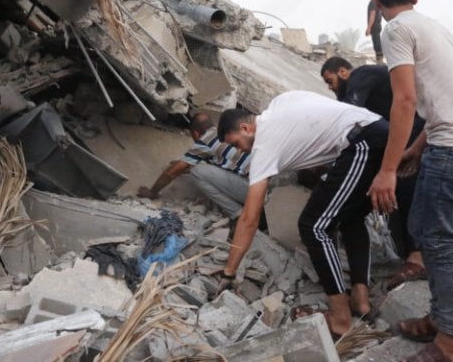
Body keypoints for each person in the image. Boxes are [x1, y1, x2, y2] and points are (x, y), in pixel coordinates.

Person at [366, 0, 453, 362]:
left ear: (378, 3)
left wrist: (386, 170)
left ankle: (451, 342)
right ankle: (442, 318)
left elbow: (403, 101)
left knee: (438, 240)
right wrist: (418, 147)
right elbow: (450, 96)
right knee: (423, 227)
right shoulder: (433, 26)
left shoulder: (396, 30)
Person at [216, 91, 388, 338]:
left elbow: (249, 219)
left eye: (236, 144)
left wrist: (228, 272)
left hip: (362, 143)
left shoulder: (264, 146)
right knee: (350, 217)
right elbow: (317, 123)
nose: (240, 151)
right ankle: (360, 300)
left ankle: (341, 318)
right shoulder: (281, 102)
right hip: (377, 130)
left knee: (313, 226)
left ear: (246, 127)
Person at [321, 56, 426, 289]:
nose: (330, 87)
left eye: (330, 81)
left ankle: (416, 257)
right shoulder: (369, 81)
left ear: (343, 71)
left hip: (412, 133)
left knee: (405, 189)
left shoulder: (361, 75)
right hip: (410, 132)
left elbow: (350, 110)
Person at [138, 113, 253, 223]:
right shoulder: (224, 133)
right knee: (199, 167)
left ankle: (238, 213)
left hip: (254, 192)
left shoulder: (205, 140)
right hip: (262, 188)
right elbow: (226, 163)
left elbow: (171, 173)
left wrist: (152, 192)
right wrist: (186, 163)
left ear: (196, 134)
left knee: (197, 171)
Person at [365, 0, 383, 64]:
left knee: (377, 44)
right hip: (378, 25)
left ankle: (379, 60)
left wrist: (369, 27)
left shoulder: (373, 1)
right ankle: (379, 59)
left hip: (374, 26)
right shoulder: (378, 1)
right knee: (377, 43)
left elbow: (372, 14)